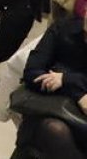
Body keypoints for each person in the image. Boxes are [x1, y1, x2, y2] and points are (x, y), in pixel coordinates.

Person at [16, 14, 87, 157]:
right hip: (49, 106)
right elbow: (32, 72)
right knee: (53, 129)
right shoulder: (63, 28)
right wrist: (73, 87)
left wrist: (63, 79)